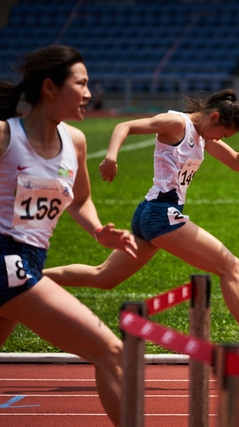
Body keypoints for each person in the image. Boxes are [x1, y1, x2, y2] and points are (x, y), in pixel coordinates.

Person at [44, 88, 239, 357]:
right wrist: (111, 156)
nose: (219, 140)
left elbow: (235, 162)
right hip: (161, 215)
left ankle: (31, 281)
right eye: (221, 134)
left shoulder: (202, 135)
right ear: (214, 117)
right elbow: (124, 126)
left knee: (103, 277)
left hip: (149, 214)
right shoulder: (177, 124)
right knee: (229, 265)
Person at [0, 44, 138, 425]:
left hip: (31, 262)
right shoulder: (6, 137)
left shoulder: (75, 142)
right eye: (81, 84)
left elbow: (79, 200)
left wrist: (98, 232)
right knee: (110, 350)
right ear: (49, 87)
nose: (90, 93)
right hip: (7, 262)